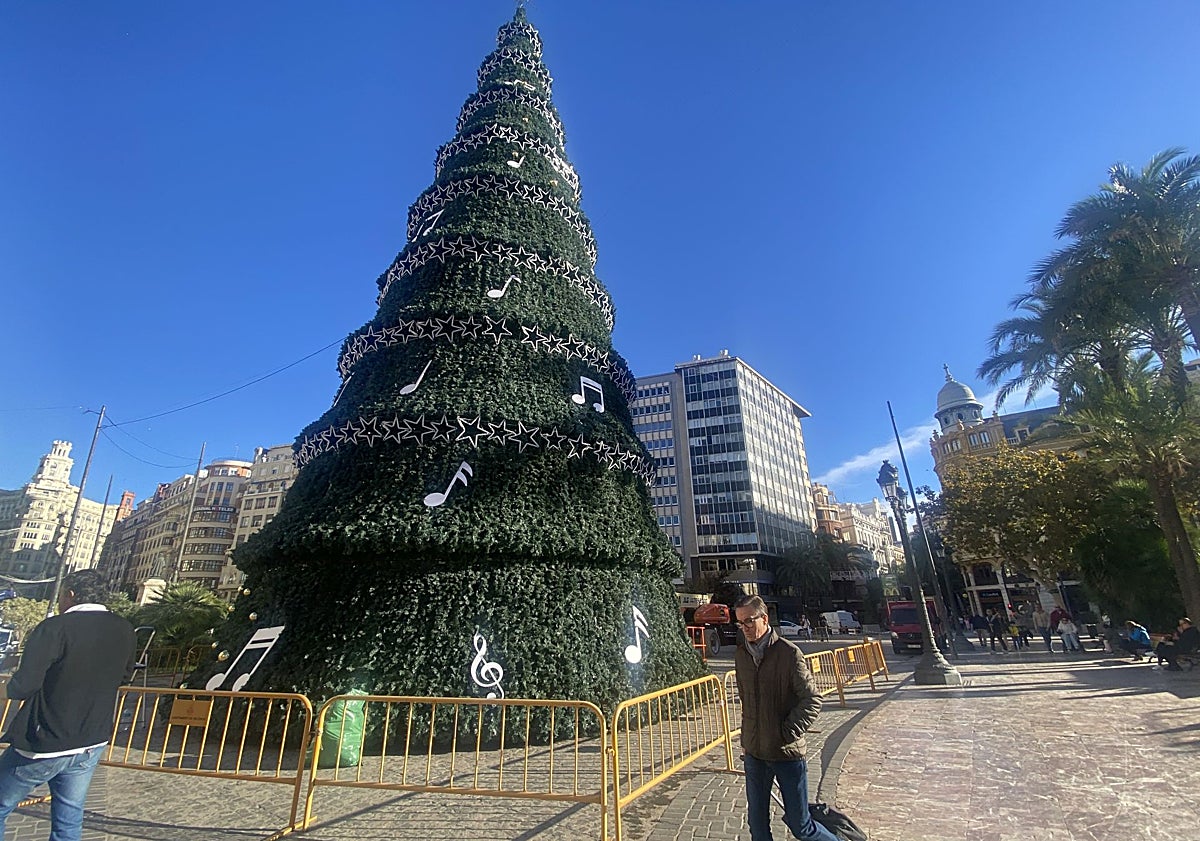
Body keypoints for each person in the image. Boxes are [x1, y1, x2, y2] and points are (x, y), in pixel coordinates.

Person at [0, 570, 135, 841]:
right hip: (91, 739)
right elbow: (124, 676)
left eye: (62, 594)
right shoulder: (125, 629)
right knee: (68, 819)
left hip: (45, 741)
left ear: (70, 594)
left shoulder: (55, 627)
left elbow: (24, 685)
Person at [733, 595, 838, 841]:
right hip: (755, 753)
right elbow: (747, 702)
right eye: (739, 623)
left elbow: (812, 699)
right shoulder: (741, 656)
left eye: (749, 621)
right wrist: (748, 738)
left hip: (786, 754)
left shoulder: (789, 654)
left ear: (764, 618)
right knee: (757, 825)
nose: (745, 628)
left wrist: (786, 732)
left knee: (801, 825)